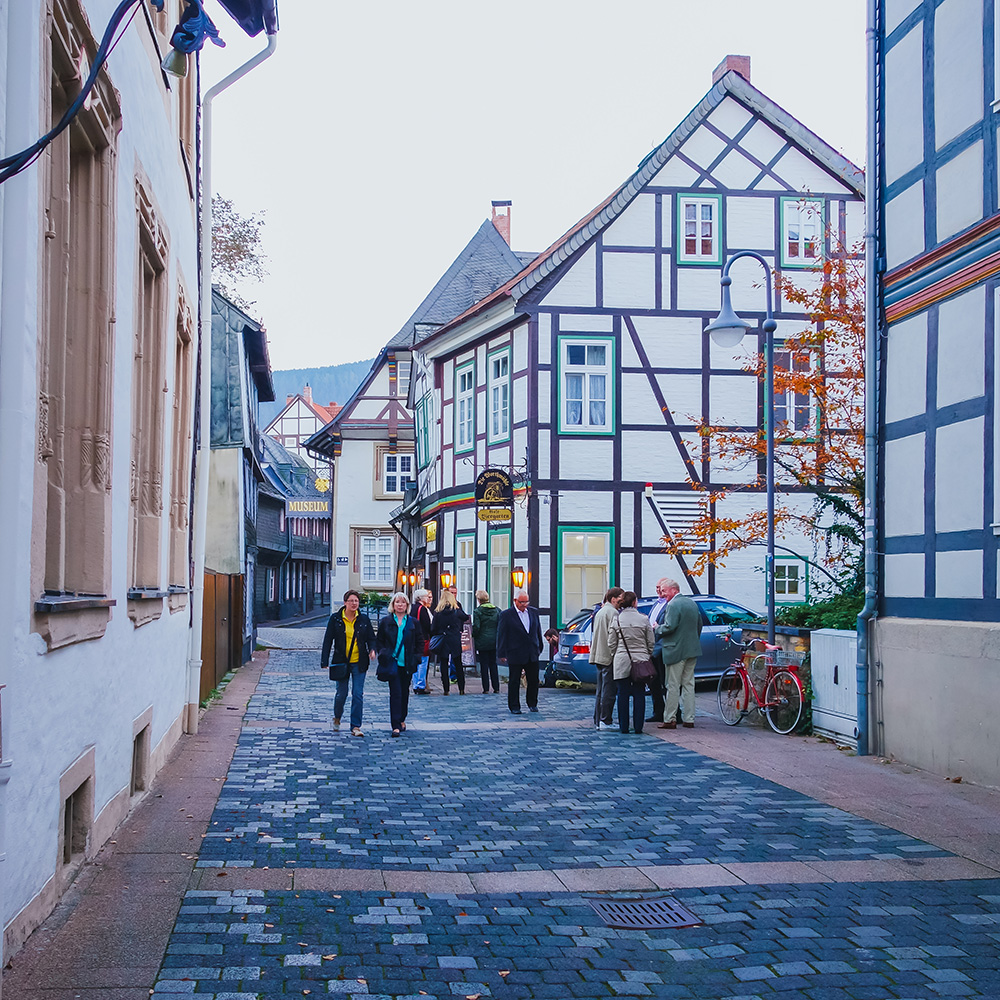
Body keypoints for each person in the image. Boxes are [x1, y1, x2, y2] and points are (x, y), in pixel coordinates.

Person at [321, 589, 377, 737]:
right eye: (351, 601)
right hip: (341, 661)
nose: (354, 603)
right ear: (345, 602)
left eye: (356, 601)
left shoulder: (363, 619)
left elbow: (371, 638)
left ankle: (355, 726)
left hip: (359, 662)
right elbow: (328, 640)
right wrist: (324, 660)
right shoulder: (336, 619)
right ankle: (337, 717)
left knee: (358, 694)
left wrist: (372, 650)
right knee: (341, 693)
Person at [654, 579, 703, 729]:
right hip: (692, 649)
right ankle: (689, 719)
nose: (663, 595)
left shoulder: (673, 604)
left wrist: (657, 628)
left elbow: (669, 627)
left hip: (675, 649)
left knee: (672, 685)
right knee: (689, 684)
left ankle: (670, 719)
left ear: (674, 590)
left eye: (664, 591)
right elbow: (699, 625)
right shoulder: (691, 603)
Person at [607, 591, 654, 734]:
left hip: (622, 659)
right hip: (640, 660)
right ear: (634, 602)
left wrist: (617, 655)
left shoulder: (617, 619)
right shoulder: (644, 619)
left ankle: (624, 726)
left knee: (622, 693)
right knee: (639, 693)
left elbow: (611, 643)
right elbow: (651, 642)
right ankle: (638, 726)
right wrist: (646, 654)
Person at [377, 592, 420, 736]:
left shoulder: (413, 622)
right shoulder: (386, 621)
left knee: (404, 693)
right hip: (392, 662)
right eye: (397, 602)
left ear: (407, 605)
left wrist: (416, 657)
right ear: (393, 605)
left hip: (407, 663)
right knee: (395, 693)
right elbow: (380, 641)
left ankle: (402, 718)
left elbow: (420, 641)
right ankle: (395, 724)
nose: (400, 605)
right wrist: (383, 653)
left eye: (402, 603)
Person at [496, 591, 544, 714]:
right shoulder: (506, 615)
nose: (524, 604)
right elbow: (502, 634)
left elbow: (537, 630)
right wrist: (501, 653)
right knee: (514, 680)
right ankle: (514, 706)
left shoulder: (533, 612)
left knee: (533, 680)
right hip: (515, 652)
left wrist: (539, 646)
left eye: (526, 601)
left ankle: (532, 703)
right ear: (515, 601)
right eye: (521, 602)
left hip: (532, 652)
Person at [589, 587, 624, 731]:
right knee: (608, 691)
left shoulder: (601, 612)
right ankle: (605, 720)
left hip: (599, 655)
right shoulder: (613, 613)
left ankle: (598, 720)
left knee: (601, 691)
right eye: (620, 598)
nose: (622, 601)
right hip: (608, 656)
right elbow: (613, 637)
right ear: (613, 598)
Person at [431, 590, 469, 694]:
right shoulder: (456, 611)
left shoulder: (438, 612)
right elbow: (466, 617)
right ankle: (461, 688)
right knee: (458, 663)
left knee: (443, 664)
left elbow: (433, 628)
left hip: (444, 639)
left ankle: (446, 689)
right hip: (455, 639)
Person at [646, 577, 673, 722]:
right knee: (654, 683)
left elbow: (667, 626)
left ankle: (672, 712)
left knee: (665, 682)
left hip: (662, 648)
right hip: (652, 648)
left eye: (660, 588)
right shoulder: (656, 603)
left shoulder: (670, 605)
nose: (658, 590)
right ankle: (658, 711)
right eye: (656, 587)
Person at [471, 590, 500, 693]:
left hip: (482, 642)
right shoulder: (496, 610)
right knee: (493, 664)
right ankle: (496, 687)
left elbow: (477, 627)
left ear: (479, 600)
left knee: (484, 665)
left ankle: (486, 688)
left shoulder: (477, 612)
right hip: (493, 641)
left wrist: (473, 635)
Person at [410, 589, 433, 694]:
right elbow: (427, 624)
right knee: (423, 662)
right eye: (425, 596)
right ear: (420, 598)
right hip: (422, 638)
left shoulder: (412, 608)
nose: (427, 598)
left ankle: (415, 684)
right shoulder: (422, 609)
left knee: (415, 662)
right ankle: (420, 685)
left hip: (412, 638)